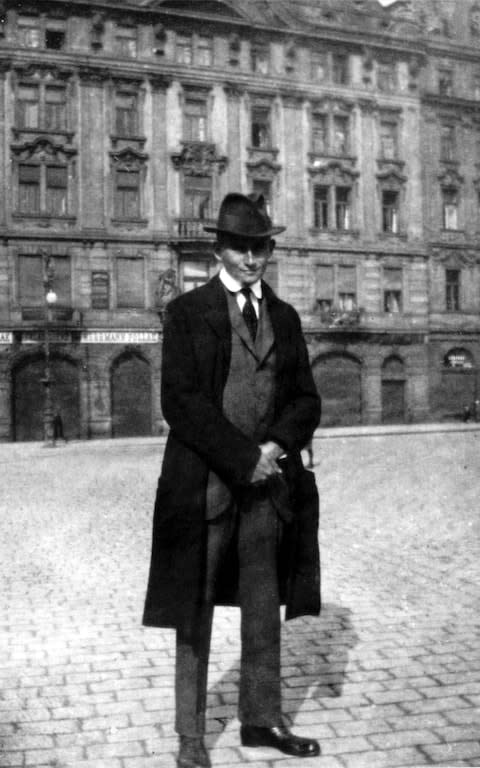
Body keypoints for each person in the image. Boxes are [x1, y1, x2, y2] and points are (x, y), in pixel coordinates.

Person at [143, 192, 321, 768]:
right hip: (207, 489)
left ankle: (261, 721)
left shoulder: (286, 318)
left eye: (260, 247)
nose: (251, 258)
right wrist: (244, 456)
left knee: (263, 607)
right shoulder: (188, 313)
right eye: (241, 247)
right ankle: (190, 740)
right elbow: (182, 403)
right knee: (192, 614)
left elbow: (305, 401)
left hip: (268, 492)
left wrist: (274, 447)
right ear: (219, 249)